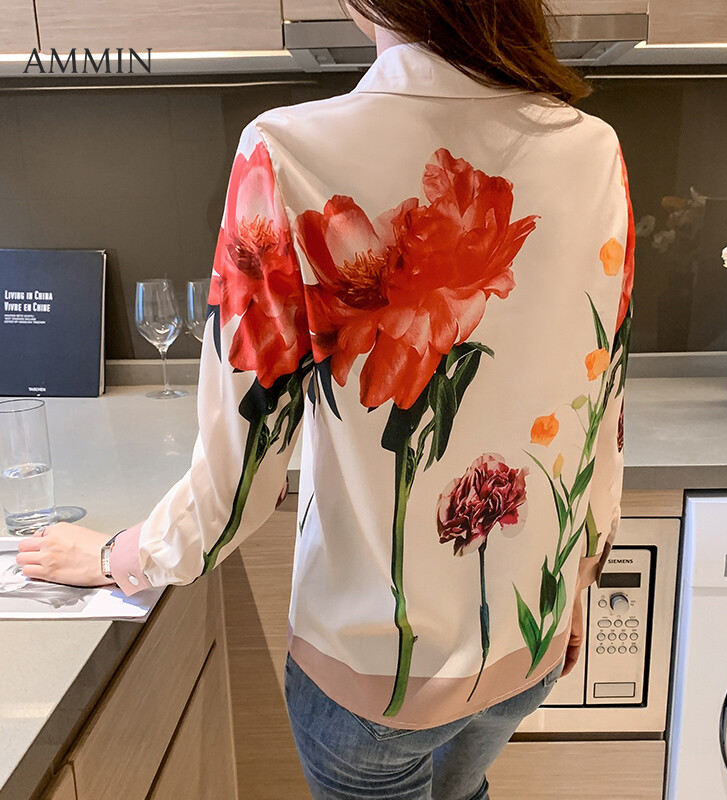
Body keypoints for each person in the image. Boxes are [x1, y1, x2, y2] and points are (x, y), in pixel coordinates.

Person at [15, 0, 634, 796]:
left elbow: (236, 481)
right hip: (529, 649)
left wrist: (115, 557)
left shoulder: (286, 150)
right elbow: (604, 397)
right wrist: (576, 580)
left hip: (374, 679)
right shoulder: (595, 147)